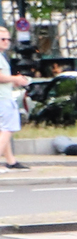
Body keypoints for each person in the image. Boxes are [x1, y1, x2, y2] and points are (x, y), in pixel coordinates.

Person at [0, 39, 29, 169]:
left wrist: (13, 82)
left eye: (8, 39)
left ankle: (11, 161)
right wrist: (15, 79)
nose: (7, 42)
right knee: (8, 129)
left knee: (3, 130)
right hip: (3, 98)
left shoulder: (2, 56)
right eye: (2, 39)